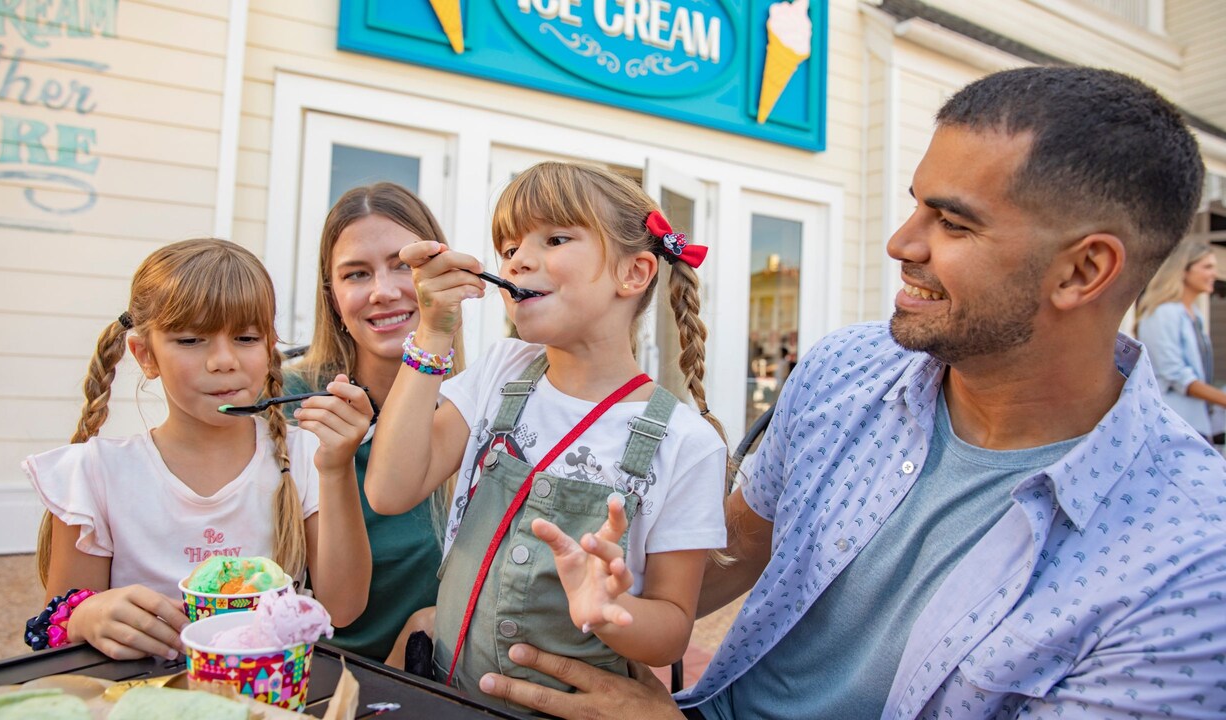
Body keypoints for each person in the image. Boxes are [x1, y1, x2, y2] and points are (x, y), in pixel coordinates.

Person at [476, 67, 1226, 719]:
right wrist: (571, 604)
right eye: (916, 204)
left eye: (954, 222)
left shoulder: (1188, 560)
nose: (902, 242)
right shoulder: (848, 370)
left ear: (1082, 272)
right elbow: (736, 552)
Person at [366, 161, 729, 708]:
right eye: (508, 249)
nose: (519, 260)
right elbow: (390, 489)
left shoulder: (688, 443)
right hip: (447, 696)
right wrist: (432, 331)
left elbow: (673, 627)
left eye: (554, 238)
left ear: (633, 274)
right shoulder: (500, 371)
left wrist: (611, 610)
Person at [24, 238, 373, 661]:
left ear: (269, 348)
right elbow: (57, 627)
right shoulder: (96, 472)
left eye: (246, 337)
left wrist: (336, 469)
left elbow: (344, 607)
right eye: (191, 341)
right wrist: (86, 615)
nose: (223, 361)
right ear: (145, 355)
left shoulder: (307, 457)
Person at [285, 183, 457, 663]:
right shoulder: (286, 403)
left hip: (438, 685)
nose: (383, 291)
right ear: (333, 297)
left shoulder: (473, 408)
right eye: (357, 274)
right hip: (302, 678)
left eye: (404, 265)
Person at [1135, 240, 1226, 442]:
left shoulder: (1195, 315)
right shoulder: (1162, 314)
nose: (1214, 274)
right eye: (1207, 267)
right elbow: (1175, 375)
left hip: (1198, 423)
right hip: (1171, 424)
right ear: (1183, 270)